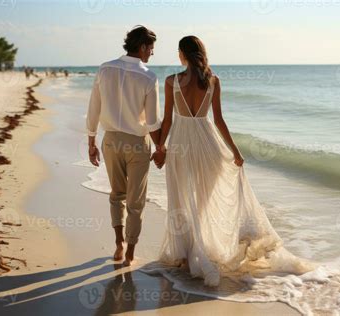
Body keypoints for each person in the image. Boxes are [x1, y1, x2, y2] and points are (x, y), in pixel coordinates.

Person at [150, 36, 317, 286]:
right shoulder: (213, 81)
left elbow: (168, 120)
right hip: (209, 147)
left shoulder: (171, 81)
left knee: (182, 200)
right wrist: (235, 151)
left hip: (181, 147)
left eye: (178, 52)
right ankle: (200, 250)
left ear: (182, 54)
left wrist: (160, 147)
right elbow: (218, 120)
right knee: (203, 204)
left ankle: (188, 255)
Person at [86, 25, 163, 266]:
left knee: (116, 194)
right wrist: (161, 147)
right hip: (137, 144)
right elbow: (151, 122)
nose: (151, 53)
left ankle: (118, 243)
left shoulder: (105, 68)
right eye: (151, 48)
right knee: (135, 201)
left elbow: (93, 108)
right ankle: (130, 252)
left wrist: (91, 141)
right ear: (142, 47)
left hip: (110, 140)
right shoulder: (149, 77)